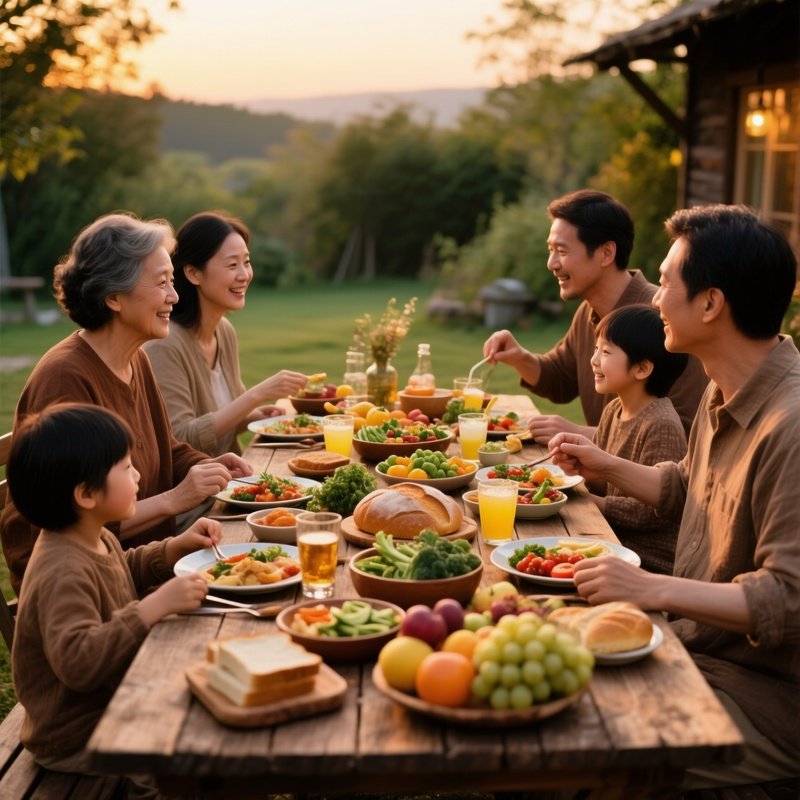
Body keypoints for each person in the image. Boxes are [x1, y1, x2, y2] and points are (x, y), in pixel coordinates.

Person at [550, 205, 800, 787]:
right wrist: (604, 462)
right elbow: (690, 483)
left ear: (710, 304)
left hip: (766, 695)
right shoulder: (724, 386)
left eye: (665, 284)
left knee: (579, 740)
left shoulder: (789, 425)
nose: (655, 299)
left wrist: (648, 589)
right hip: (700, 647)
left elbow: (788, 601)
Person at [0, 212, 250, 595]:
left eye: (172, 281)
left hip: (145, 558)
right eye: (162, 283)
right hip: (87, 586)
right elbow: (69, 522)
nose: (175, 296)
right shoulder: (66, 379)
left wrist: (208, 466)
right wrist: (174, 499)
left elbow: (163, 448)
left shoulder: (136, 359)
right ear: (114, 297)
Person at [7, 403, 215, 794]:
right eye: (126, 467)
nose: (138, 475)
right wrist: (152, 608)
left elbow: (122, 568)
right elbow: (79, 663)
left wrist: (175, 548)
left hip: (112, 701)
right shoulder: (61, 570)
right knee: (184, 748)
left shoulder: (93, 535)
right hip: (76, 732)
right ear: (86, 494)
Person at [482, 189, 708, 443]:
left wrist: (582, 434)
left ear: (606, 253)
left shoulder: (663, 318)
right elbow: (560, 378)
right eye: (550, 250)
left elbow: (684, 432)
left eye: (562, 251)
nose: (551, 263)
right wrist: (519, 357)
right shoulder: (588, 312)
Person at [144, 211, 307, 456]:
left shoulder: (224, 331)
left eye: (246, 262)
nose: (244, 275)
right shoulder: (165, 345)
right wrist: (257, 395)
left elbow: (221, 415)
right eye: (232, 265)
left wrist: (250, 416)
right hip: (201, 479)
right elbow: (179, 439)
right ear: (193, 273)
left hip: (233, 472)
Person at [588, 304, 687, 574]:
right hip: (612, 540)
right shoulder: (613, 409)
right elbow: (603, 481)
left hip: (647, 561)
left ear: (642, 368)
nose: (594, 360)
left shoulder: (661, 424)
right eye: (596, 349)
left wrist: (594, 503)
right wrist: (578, 471)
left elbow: (653, 511)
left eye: (605, 352)